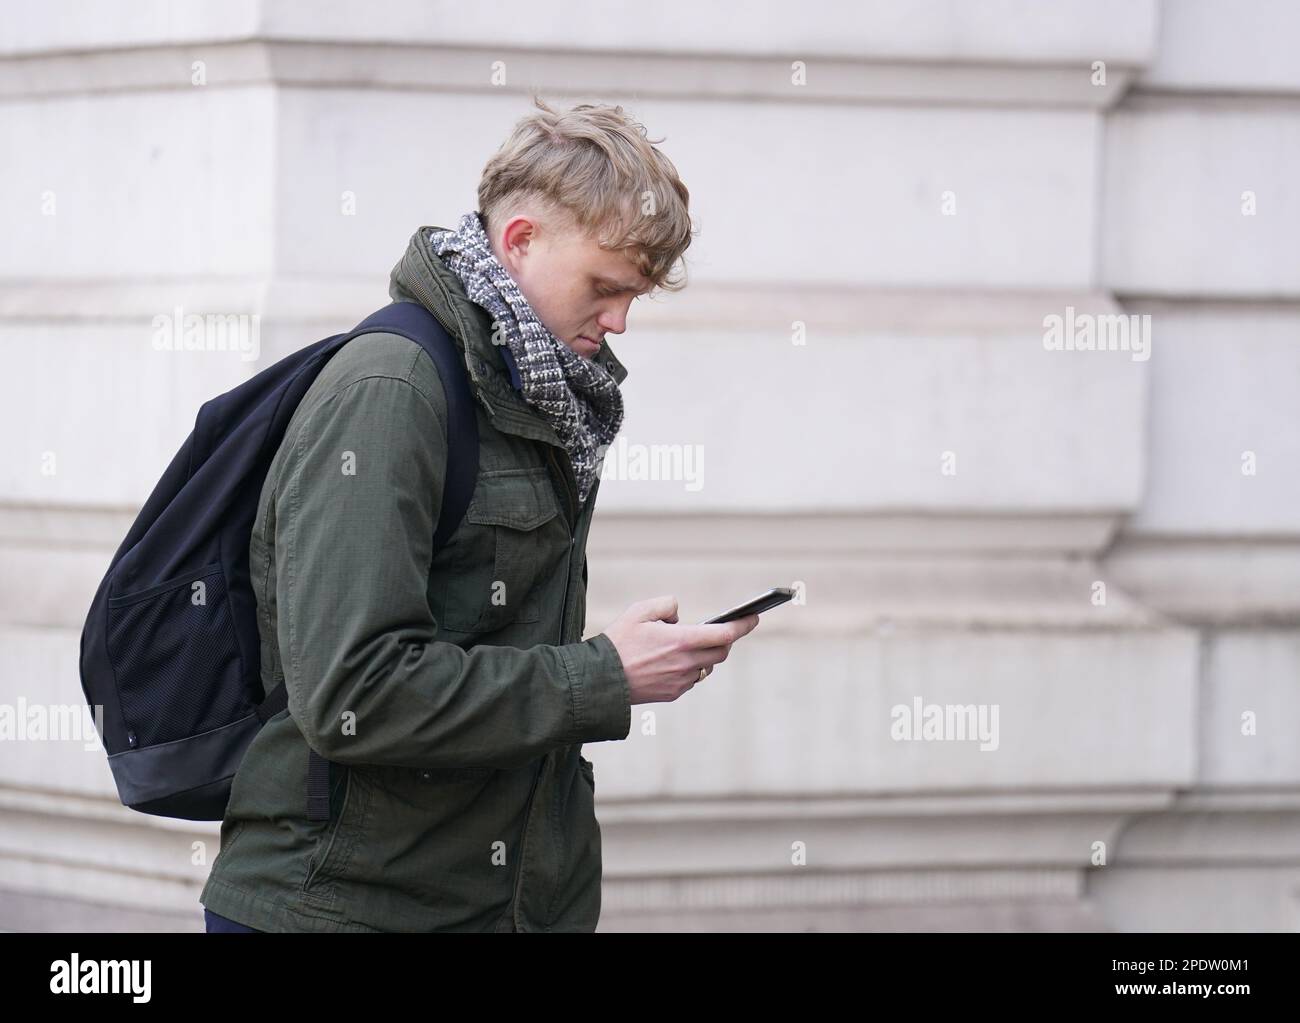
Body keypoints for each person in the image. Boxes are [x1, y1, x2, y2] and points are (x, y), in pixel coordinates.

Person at [198, 95, 759, 933]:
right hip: (343, 910)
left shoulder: (540, 394)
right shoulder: (393, 391)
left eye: (635, 296)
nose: (620, 321)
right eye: (606, 288)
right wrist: (604, 674)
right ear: (521, 239)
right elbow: (355, 689)